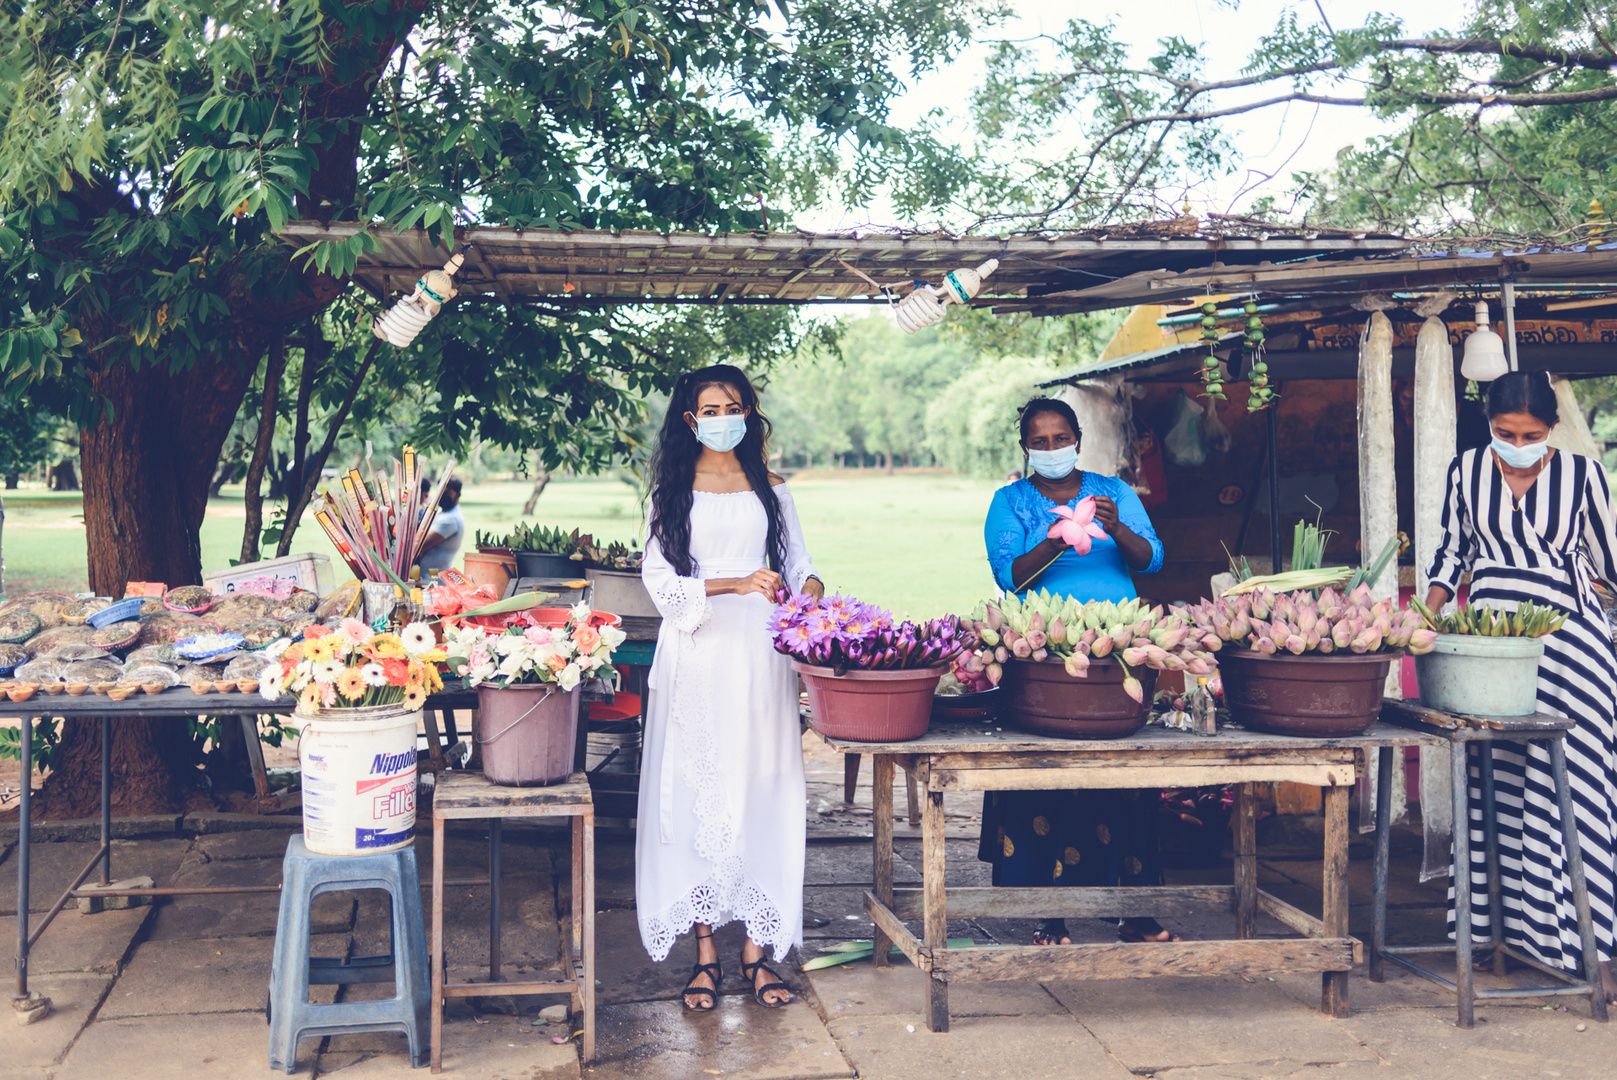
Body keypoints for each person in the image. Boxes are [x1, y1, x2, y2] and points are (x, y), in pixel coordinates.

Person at [1424, 370, 1617, 1002]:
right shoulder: (1466, 471)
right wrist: (1427, 616)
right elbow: (1451, 554)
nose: (1517, 444)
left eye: (1530, 435)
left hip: (1571, 647)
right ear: (1488, 424)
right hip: (1489, 644)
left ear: (1552, 430)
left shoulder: (1584, 477)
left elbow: (1610, 568)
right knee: (1494, 786)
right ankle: (1496, 937)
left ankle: (1589, 947)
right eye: (1505, 433)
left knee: (1578, 785)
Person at [637, 364, 823, 1012]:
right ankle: (705, 953)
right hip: (697, 653)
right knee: (698, 788)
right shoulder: (671, 490)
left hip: (759, 657)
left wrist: (811, 592)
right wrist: (733, 583)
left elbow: (798, 561)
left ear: (749, 412)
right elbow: (659, 582)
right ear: (690, 419)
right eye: (711, 407)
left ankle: (757, 953)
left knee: (761, 786)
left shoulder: (771, 488)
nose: (723, 416)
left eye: (733, 405)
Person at [978, 397, 1170, 945]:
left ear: (1078, 438)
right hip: (1043, 653)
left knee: (1122, 780)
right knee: (1047, 781)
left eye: (1060, 438)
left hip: (1119, 651)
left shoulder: (1114, 492)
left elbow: (1152, 558)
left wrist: (1116, 528)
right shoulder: (1009, 501)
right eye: (1039, 442)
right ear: (1025, 448)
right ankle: (1049, 916)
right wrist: (1058, 537)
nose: (1051, 449)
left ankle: (1134, 912)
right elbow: (1011, 575)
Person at [414, 476, 464, 575]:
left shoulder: (451, 519)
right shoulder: (441, 512)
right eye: (440, 492)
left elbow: (418, 545)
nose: (442, 496)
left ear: (458, 495)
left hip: (433, 581)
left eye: (446, 493)